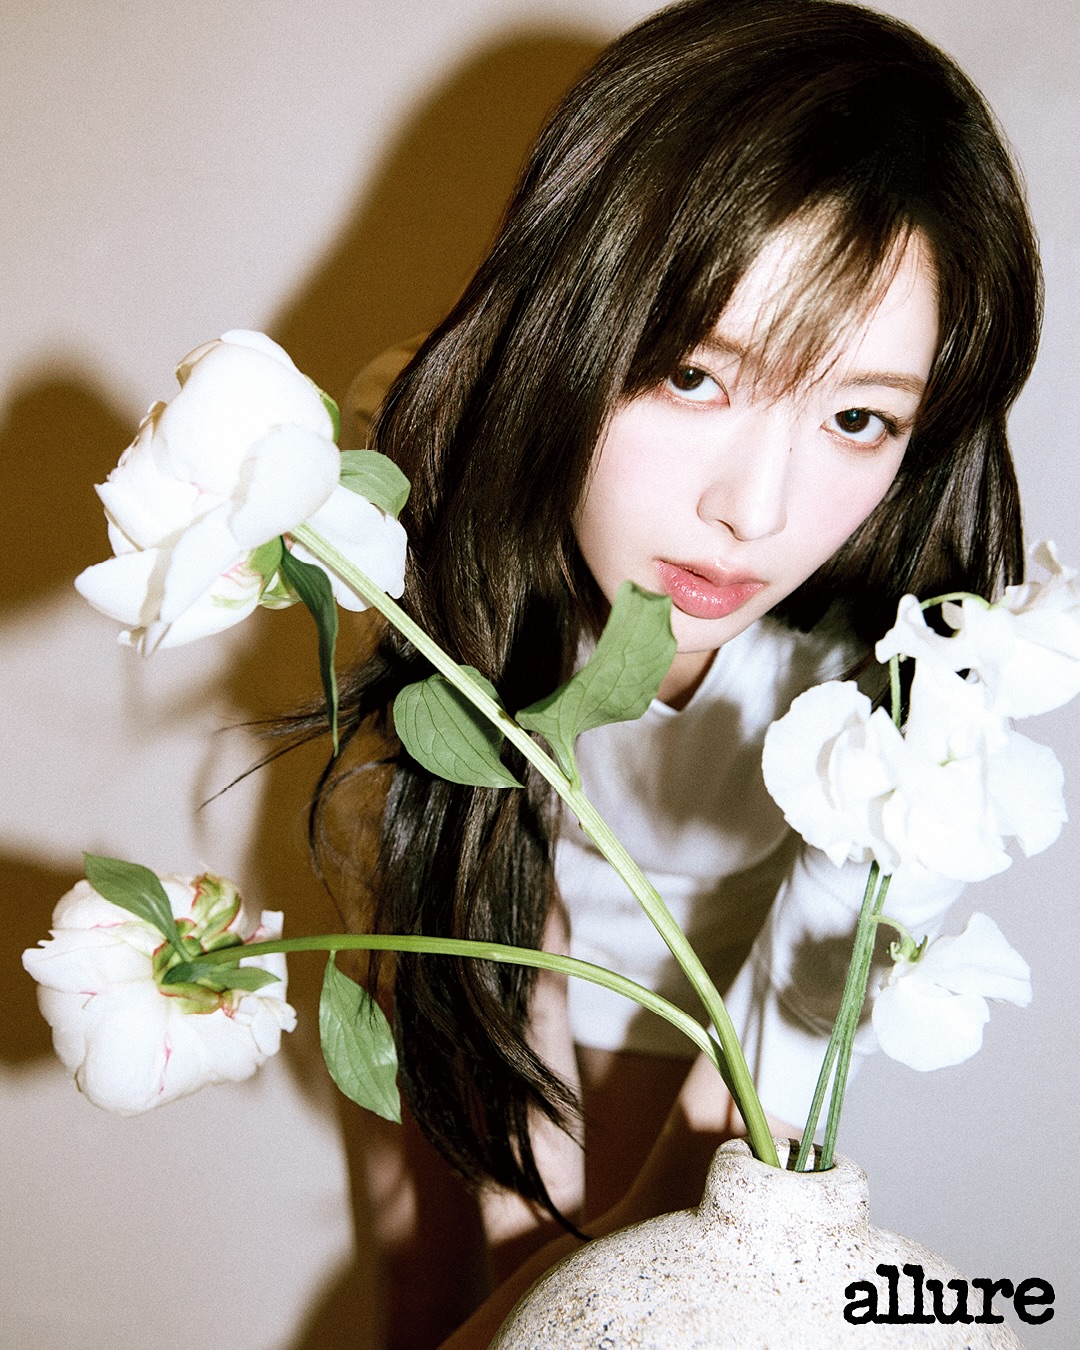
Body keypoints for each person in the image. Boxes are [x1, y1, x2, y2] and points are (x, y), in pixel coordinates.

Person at [307, 0, 1041, 1343]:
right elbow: (420, 828)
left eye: (858, 415)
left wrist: (561, 1277)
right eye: (697, 376)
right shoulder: (410, 457)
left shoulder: (928, 662)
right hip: (456, 894)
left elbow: (755, 1081)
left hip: (726, 983)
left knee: (620, 1290)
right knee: (429, 1297)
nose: (755, 513)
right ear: (569, 314)